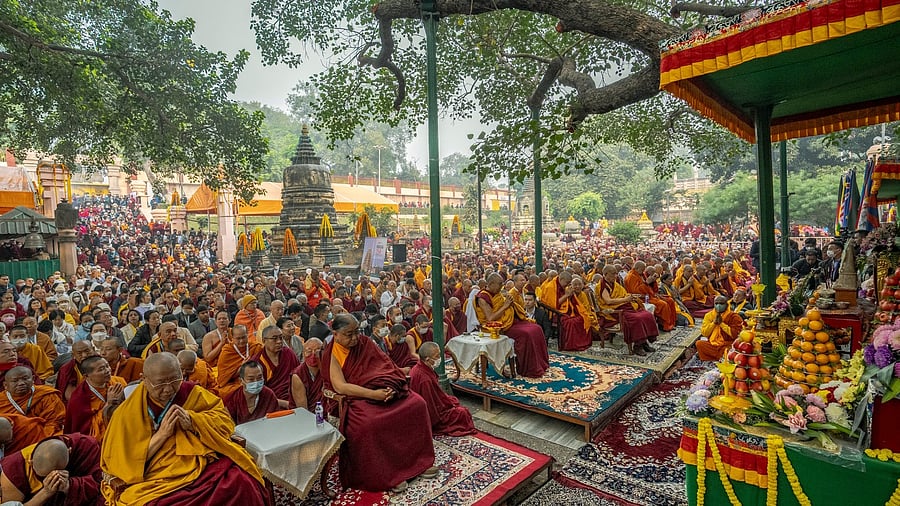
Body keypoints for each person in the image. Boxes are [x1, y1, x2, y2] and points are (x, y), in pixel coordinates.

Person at [100, 353, 267, 504]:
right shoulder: (127, 412)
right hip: (155, 475)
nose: (168, 389)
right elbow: (123, 461)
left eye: (174, 380)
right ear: (144, 379)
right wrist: (162, 435)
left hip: (198, 461)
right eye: (160, 384)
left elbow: (225, 421)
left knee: (242, 482)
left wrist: (194, 421)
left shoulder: (191, 393)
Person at [322, 314, 436, 492]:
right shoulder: (332, 353)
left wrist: (389, 387)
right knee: (369, 424)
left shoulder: (365, 343)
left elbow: (385, 366)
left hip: (383, 390)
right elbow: (340, 386)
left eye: (356, 333)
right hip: (359, 396)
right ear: (335, 334)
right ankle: (388, 474)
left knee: (417, 404)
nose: (354, 339)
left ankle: (418, 462)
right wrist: (374, 395)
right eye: (348, 334)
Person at [475, 273, 549, 377]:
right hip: (496, 327)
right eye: (500, 284)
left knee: (536, 328)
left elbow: (502, 304)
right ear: (491, 284)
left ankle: (541, 364)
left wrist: (509, 303)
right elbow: (490, 318)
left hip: (508, 321)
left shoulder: (496, 292)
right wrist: (505, 306)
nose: (502, 286)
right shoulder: (482, 297)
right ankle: (528, 369)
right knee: (526, 334)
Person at [0, 434, 102, 506]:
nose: (52, 478)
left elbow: (103, 482)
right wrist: (46, 492)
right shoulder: (13, 471)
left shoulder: (86, 446)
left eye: (59, 473)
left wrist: (69, 486)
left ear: (69, 452)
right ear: (30, 462)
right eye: (43, 476)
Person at [409, 342, 476, 437]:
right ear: (428, 359)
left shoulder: (420, 367)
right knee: (463, 413)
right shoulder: (424, 379)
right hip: (430, 415)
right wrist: (445, 407)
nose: (439, 358)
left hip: (430, 406)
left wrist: (446, 401)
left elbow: (435, 396)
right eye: (437, 356)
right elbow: (431, 407)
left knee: (453, 400)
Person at [596, 265, 659, 356]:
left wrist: (630, 297)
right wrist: (625, 300)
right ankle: (637, 346)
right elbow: (608, 301)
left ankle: (644, 342)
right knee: (636, 318)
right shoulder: (602, 285)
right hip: (614, 311)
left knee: (647, 314)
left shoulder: (614, 284)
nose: (615, 276)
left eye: (616, 273)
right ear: (606, 274)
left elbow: (623, 294)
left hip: (624, 306)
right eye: (613, 274)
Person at [64, 356, 126, 442]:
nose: (107, 371)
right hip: (102, 437)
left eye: (107, 366)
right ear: (86, 376)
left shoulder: (118, 381)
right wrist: (109, 404)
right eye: (101, 369)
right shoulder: (79, 398)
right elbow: (87, 430)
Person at [0, 366, 66, 440]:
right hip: (12, 440)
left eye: (25, 379)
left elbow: (54, 422)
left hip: (44, 436)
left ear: (33, 379)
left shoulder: (47, 395)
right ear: (5, 385)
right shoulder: (1, 400)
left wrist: (42, 441)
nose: (21, 383)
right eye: (15, 381)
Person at [539, 271, 593, 351]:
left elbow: (570, 300)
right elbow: (553, 305)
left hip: (565, 310)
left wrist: (570, 296)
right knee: (571, 322)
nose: (568, 285)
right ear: (561, 279)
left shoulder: (563, 285)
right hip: (554, 313)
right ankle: (570, 345)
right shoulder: (550, 287)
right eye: (567, 283)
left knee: (582, 317)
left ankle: (582, 343)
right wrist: (567, 295)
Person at [252, 326, 298, 408]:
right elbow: (256, 393)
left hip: (295, 396)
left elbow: (300, 376)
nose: (279, 342)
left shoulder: (289, 353)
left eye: (281, 338)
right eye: (274, 339)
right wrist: (284, 403)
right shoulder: (256, 362)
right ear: (263, 341)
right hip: (271, 403)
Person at [624, 261, 676, 332]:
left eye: (643, 269)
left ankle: (671, 323)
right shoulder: (631, 276)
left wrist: (653, 281)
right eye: (642, 269)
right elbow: (635, 291)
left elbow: (651, 288)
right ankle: (664, 325)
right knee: (663, 304)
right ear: (636, 268)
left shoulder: (641, 274)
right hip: (641, 298)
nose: (643, 271)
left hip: (650, 295)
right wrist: (646, 283)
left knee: (670, 300)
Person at [216, 325, 263, 400]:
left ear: (247, 335)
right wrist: (242, 368)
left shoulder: (255, 347)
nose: (241, 341)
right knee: (227, 392)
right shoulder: (227, 351)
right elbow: (223, 379)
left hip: (255, 379)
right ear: (232, 338)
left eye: (243, 337)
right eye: (238, 338)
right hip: (235, 382)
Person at [697, 295, 745, 361]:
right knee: (699, 344)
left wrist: (722, 324)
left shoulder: (734, 317)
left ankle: (719, 357)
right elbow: (705, 333)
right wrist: (714, 323)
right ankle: (720, 357)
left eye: (721, 303)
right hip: (713, 344)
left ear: (727, 304)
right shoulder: (709, 315)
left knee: (731, 351)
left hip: (727, 344)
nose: (718, 305)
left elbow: (735, 334)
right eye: (716, 303)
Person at [290, 338, 324, 411]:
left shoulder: (327, 369)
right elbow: (303, 409)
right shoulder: (298, 375)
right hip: (307, 415)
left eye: (317, 351)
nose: (313, 354)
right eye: (309, 351)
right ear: (303, 353)